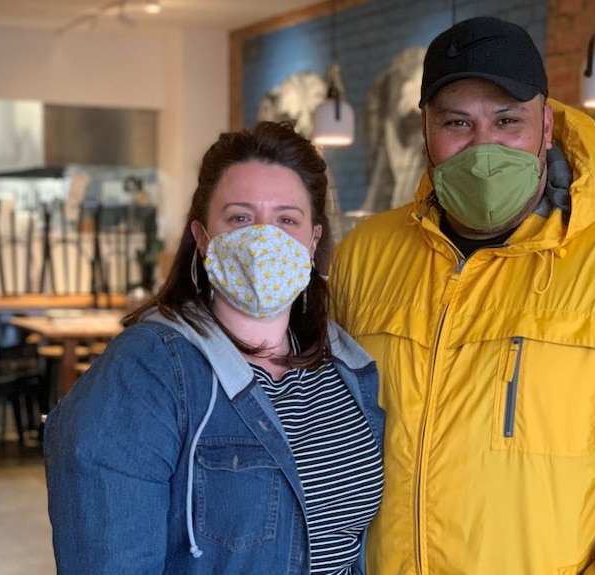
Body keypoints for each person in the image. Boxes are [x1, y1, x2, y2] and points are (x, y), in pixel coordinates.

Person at [329, 16, 595, 575]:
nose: (484, 148)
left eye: (508, 120)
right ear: (425, 130)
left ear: (547, 125)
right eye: (458, 122)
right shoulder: (366, 257)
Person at [45, 121, 384, 575]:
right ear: (204, 239)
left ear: (313, 241)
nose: (264, 240)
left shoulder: (347, 368)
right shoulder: (145, 373)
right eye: (240, 218)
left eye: (287, 219)